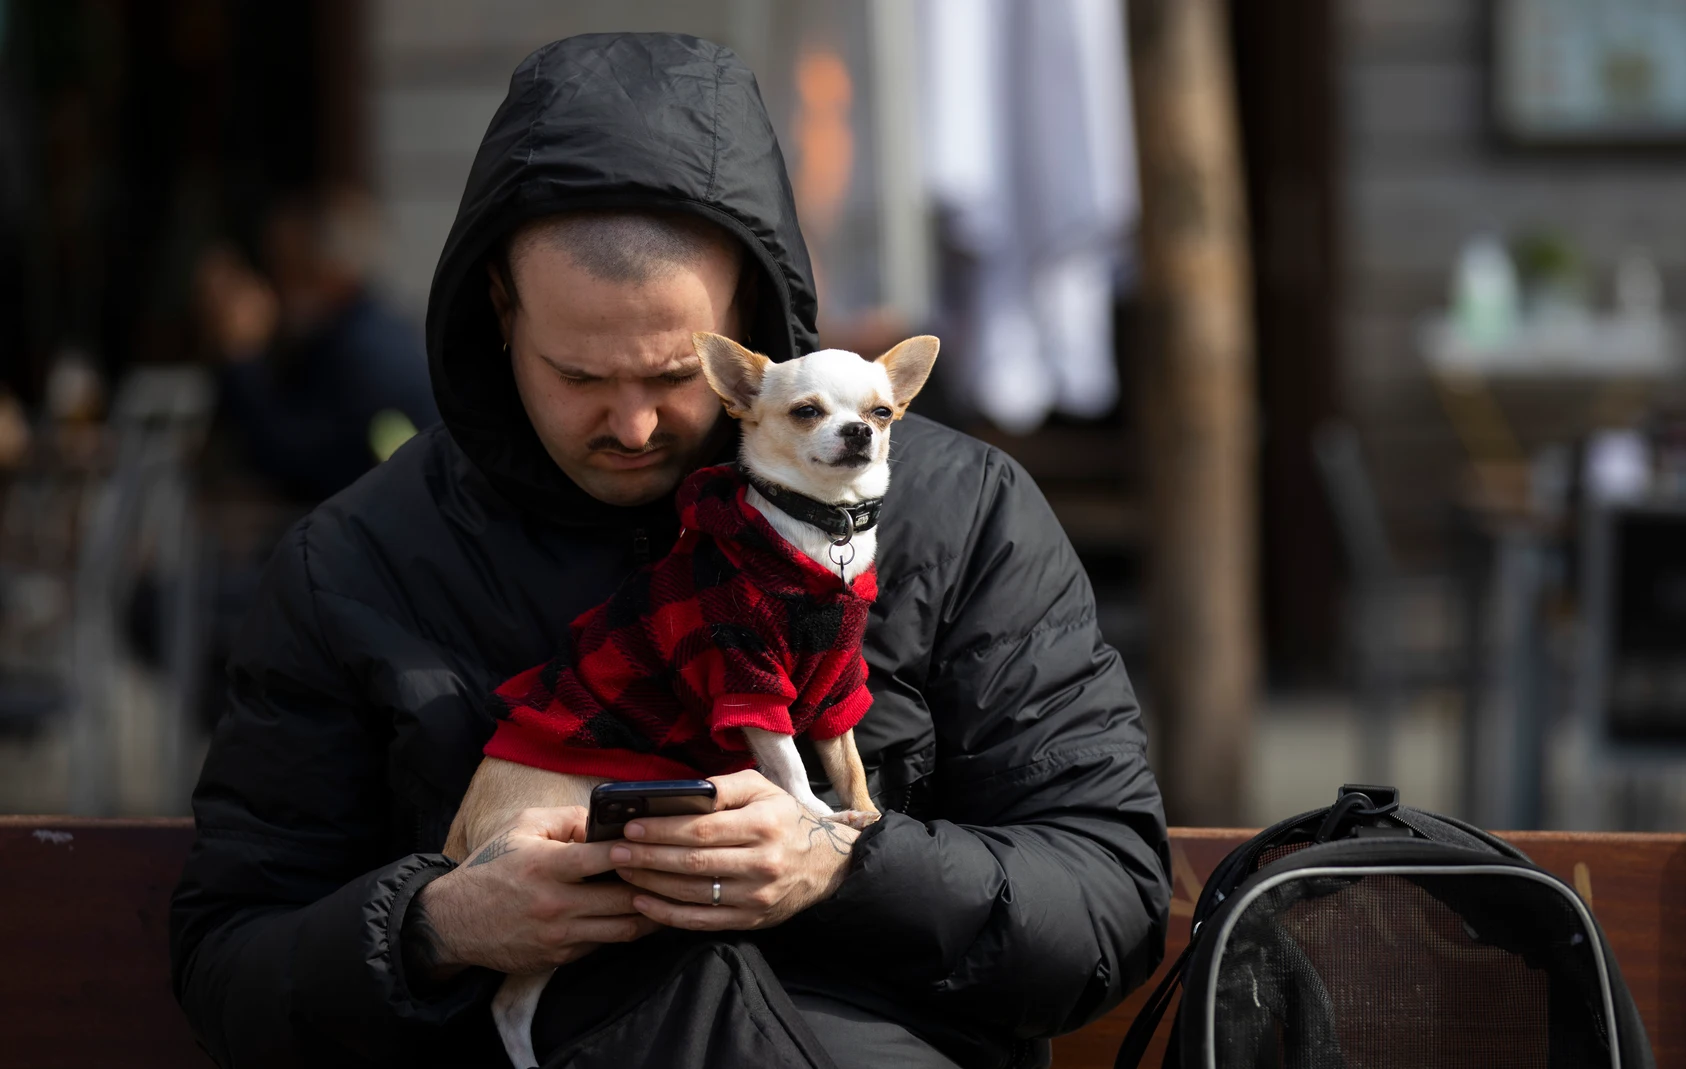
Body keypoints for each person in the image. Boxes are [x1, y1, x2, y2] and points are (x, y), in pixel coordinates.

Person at [170, 32, 1169, 1069]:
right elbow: (231, 962)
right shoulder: (356, 559)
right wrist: (441, 926)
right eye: (579, 376)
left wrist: (844, 866)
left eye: (669, 376)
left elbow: (1107, 894)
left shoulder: (962, 515)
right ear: (501, 314)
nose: (633, 425)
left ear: (744, 330)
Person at [195, 187, 440, 502]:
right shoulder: (353, 330)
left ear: (329, 272)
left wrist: (243, 354)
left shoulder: (364, 351)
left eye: (286, 267)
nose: (274, 287)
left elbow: (292, 462)